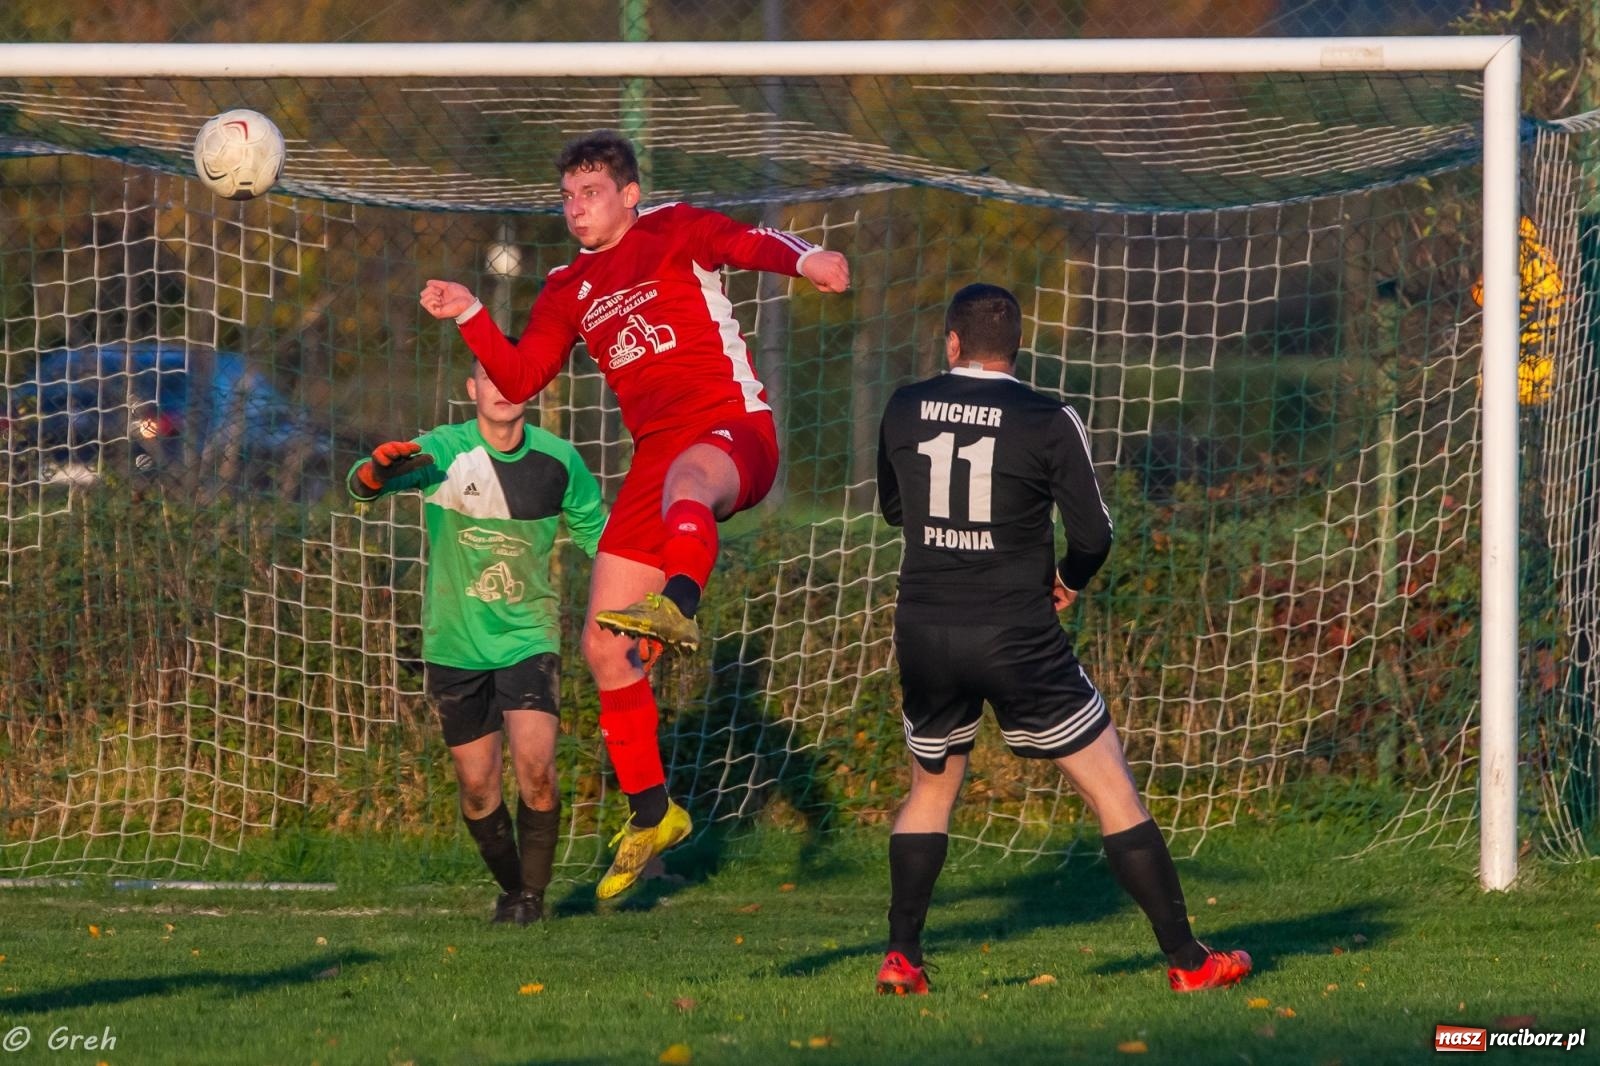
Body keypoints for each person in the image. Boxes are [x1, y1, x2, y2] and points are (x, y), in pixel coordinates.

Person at [420, 129, 851, 899]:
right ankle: (653, 812)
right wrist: (472, 312)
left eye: (591, 194)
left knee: (688, 481)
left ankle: (678, 604)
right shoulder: (566, 287)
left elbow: (746, 240)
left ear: (629, 194)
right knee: (603, 645)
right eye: (567, 197)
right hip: (656, 458)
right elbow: (519, 374)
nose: (576, 209)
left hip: (731, 427)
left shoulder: (673, 229)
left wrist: (807, 258)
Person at [872, 283, 1251, 995]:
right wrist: (1069, 580)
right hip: (1015, 632)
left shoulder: (903, 405)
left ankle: (902, 956)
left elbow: (896, 507)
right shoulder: (1048, 417)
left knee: (930, 790)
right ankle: (1189, 962)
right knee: (1113, 791)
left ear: (950, 344)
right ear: (1014, 350)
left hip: (924, 627)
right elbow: (1094, 535)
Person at [348, 358, 606, 924]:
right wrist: (375, 471)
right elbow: (371, 484)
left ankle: (532, 901)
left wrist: (631, 599)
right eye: (490, 377)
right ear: (472, 389)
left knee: (537, 772)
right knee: (477, 789)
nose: (502, 388)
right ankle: (514, 889)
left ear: (531, 386)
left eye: (515, 376)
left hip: (527, 638)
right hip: (454, 644)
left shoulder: (560, 460)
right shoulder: (444, 449)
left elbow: (598, 536)